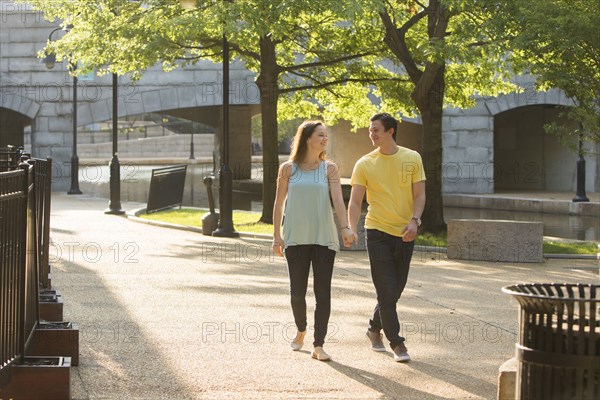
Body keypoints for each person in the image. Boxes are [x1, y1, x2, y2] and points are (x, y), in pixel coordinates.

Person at [347, 112, 426, 363]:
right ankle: (397, 342)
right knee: (386, 291)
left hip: (405, 233)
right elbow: (355, 201)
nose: (371, 134)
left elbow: (420, 195)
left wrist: (415, 220)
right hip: (377, 232)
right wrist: (350, 228)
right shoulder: (364, 163)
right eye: (370, 130)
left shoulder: (411, 158)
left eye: (376, 130)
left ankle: (373, 329)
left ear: (390, 131)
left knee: (395, 290)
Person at [273, 120, 354, 362]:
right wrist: (277, 235)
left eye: (326, 136)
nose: (325, 139)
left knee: (323, 293)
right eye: (321, 135)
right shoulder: (288, 169)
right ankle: (301, 329)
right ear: (308, 138)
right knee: (297, 294)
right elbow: (279, 203)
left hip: (323, 238)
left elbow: (339, 202)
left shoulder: (330, 169)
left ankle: (318, 345)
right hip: (296, 238)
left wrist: (346, 228)